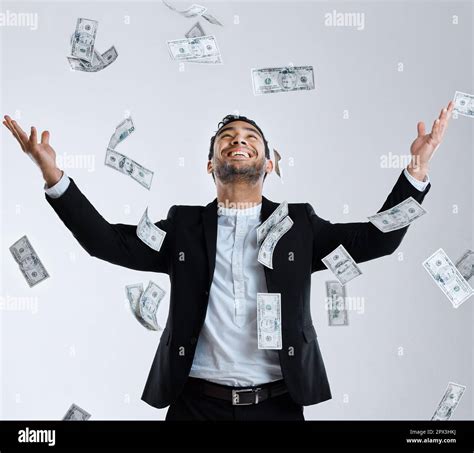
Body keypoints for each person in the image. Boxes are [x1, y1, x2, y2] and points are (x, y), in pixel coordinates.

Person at [2, 102, 454, 420]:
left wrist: (415, 172)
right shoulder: (181, 227)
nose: (239, 142)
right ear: (210, 163)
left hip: (278, 406)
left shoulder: (298, 225)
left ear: (270, 163)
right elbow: (105, 242)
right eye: (227, 138)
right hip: (194, 405)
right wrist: (52, 175)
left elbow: (376, 241)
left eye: (250, 137)